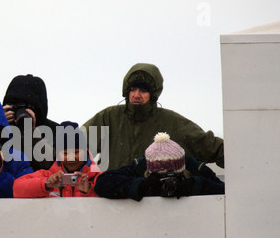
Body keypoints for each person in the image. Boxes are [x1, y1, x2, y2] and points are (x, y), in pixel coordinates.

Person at [82, 62, 224, 171]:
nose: (136, 95)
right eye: (132, 89)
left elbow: (208, 146)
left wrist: (240, 162)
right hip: (111, 200)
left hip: (154, 202)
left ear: (153, 94)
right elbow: (74, 145)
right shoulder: (109, 118)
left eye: (143, 90)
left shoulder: (171, 122)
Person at [94, 132, 225, 201]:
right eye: (160, 175)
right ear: (148, 168)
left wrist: (196, 185)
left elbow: (225, 191)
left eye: (172, 174)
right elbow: (102, 183)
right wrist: (140, 186)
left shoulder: (193, 167)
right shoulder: (141, 165)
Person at [13, 121, 101, 198]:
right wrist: (46, 184)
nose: (71, 158)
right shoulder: (49, 177)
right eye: (65, 153)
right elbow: (16, 188)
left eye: (76, 152)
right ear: (58, 155)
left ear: (86, 151)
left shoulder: (98, 178)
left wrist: (89, 190)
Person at [2, 74, 59, 171]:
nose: (21, 112)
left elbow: (53, 166)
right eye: (16, 106)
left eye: (27, 107)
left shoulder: (57, 131)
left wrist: (33, 134)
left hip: (40, 183)